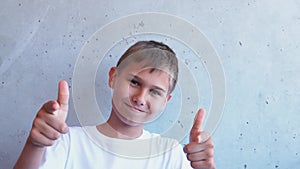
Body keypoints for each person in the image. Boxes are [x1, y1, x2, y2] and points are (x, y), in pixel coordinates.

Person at [14, 40, 215, 169]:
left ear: (166, 101)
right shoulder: (69, 143)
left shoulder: (170, 154)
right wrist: (35, 145)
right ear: (113, 77)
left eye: (155, 92)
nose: (140, 98)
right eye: (134, 82)